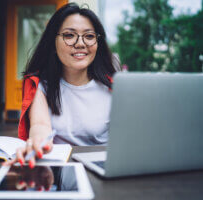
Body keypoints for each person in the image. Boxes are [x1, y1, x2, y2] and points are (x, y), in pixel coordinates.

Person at [6, 3, 120, 168]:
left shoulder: (114, 88)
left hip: (106, 170)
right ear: (53, 42)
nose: (80, 43)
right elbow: (40, 125)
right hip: (59, 169)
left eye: (89, 36)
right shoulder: (40, 85)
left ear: (98, 42)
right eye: (69, 35)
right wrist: (37, 143)